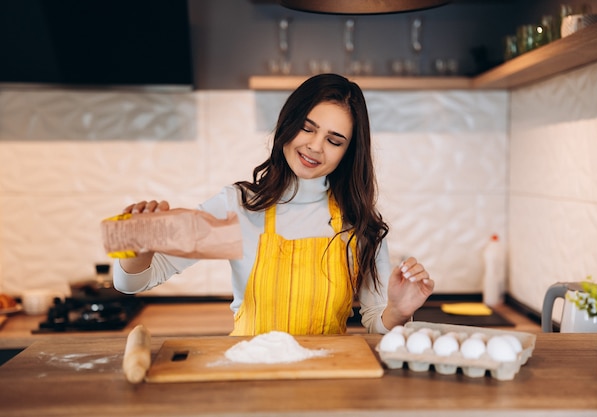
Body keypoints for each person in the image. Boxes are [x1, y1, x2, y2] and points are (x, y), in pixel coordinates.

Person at [113, 73, 434, 335]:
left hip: (327, 385)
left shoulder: (358, 225)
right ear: (287, 124)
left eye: (334, 141)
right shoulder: (239, 209)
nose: (314, 147)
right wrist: (139, 251)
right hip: (250, 387)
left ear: (348, 153)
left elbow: (377, 322)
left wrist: (397, 311)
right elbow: (133, 282)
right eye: (307, 128)